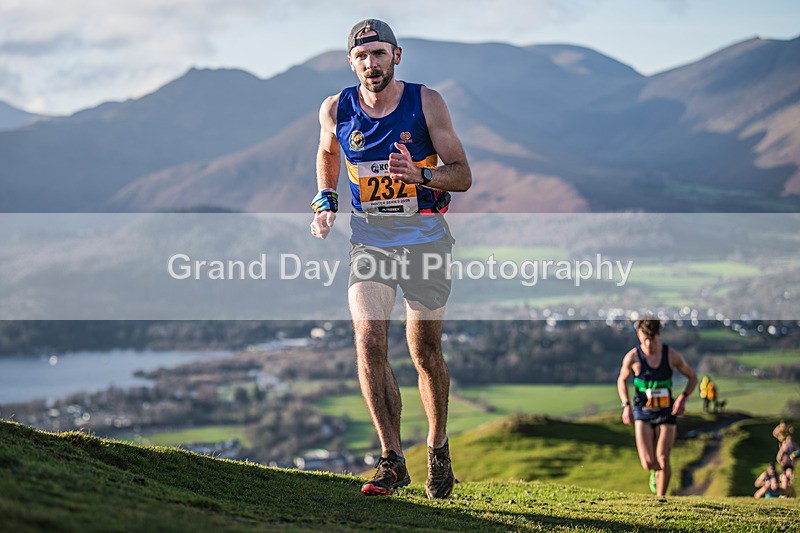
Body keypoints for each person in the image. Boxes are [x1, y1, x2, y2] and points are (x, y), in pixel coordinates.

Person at [310, 19, 472, 499]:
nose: (371, 63)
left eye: (379, 54)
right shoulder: (337, 107)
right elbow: (328, 152)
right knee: (368, 340)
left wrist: (420, 173)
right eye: (362, 56)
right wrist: (325, 197)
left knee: (424, 353)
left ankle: (438, 449)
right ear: (351, 62)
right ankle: (391, 459)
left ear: (396, 57)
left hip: (426, 243)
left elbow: (462, 176)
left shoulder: (427, 102)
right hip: (370, 243)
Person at [617, 318, 697, 497]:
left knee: (663, 458)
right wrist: (626, 405)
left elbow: (692, 377)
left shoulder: (671, 355)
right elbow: (621, 380)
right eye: (643, 338)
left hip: (666, 410)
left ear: (658, 336)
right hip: (642, 410)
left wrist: (683, 398)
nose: (647, 343)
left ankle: (661, 499)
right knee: (648, 462)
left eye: (651, 339)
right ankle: (654, 473)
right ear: (638, 335)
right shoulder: (633, 357)